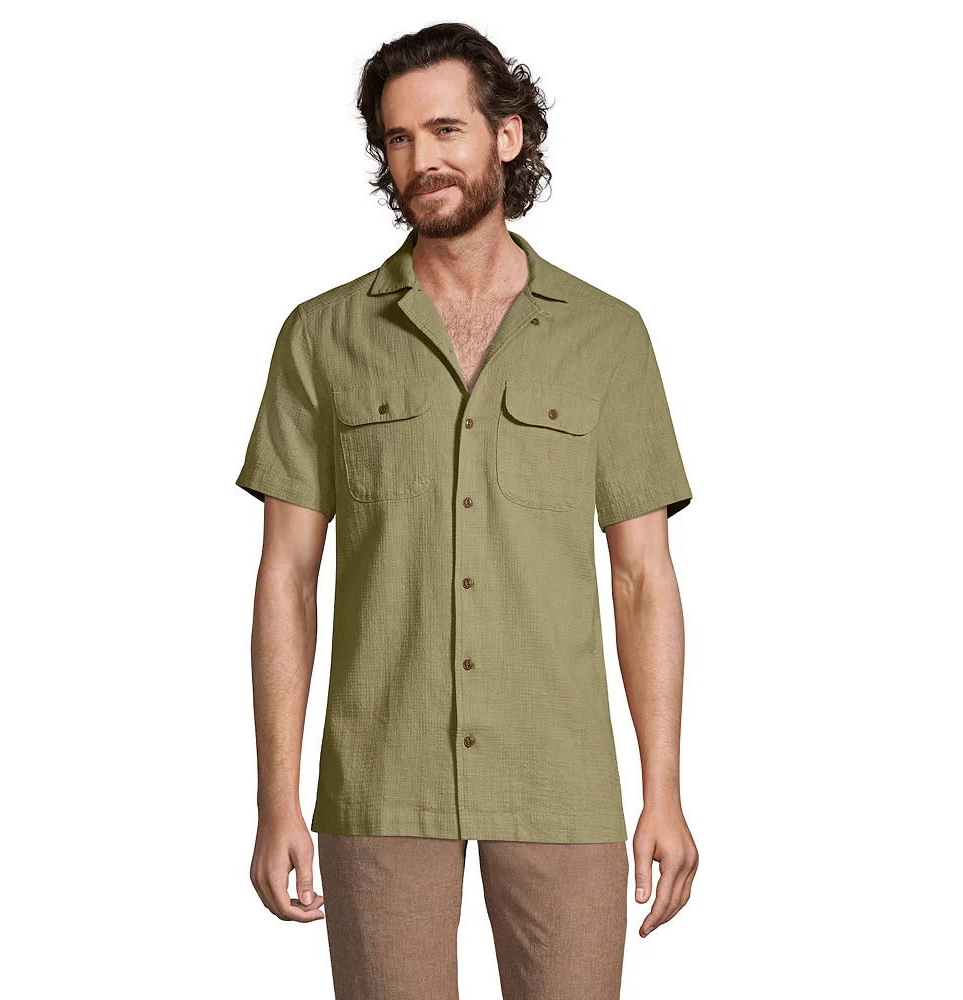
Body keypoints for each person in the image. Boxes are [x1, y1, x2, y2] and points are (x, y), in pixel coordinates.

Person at [236, 21, 698, 1000]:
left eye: (446, 129)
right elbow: (286, 578)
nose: (422, 161)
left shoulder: (608, 337)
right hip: (380, 777)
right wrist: (278, 798)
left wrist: (662, 789)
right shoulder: (320, 337)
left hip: (560, 776)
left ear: (508, 135)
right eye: (399, 138)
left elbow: (642, 578)